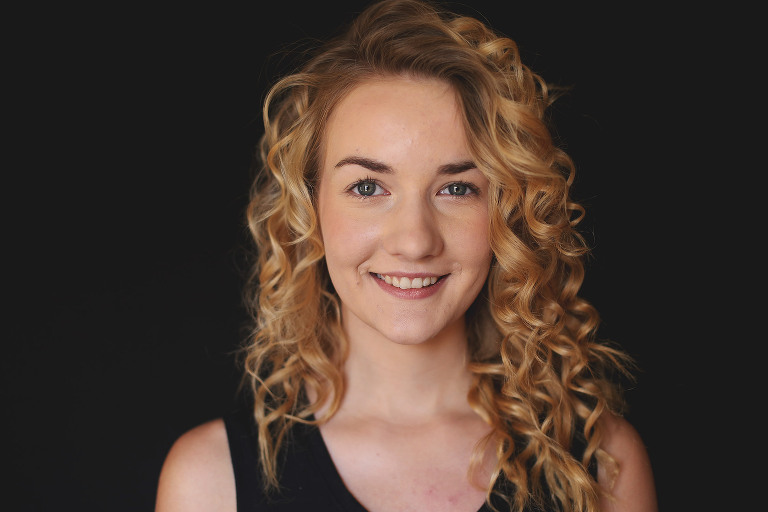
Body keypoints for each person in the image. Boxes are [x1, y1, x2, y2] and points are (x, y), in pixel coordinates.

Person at [155, 1, 657, 510]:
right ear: (310, 207)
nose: (415, 241)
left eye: (457, 189)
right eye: (368, 186)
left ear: (506, 211)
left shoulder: (599, 463)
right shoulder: (210, 481)